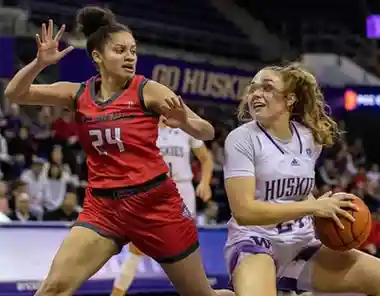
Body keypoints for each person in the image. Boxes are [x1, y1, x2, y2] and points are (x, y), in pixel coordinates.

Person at [4, 6, 233, 296]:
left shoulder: (149, 90)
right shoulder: (77, 94)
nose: (130, 57)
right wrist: (38, 64)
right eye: (120, 50)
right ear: (97, 56)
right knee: (53, 288)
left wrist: (185, 121)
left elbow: (207, 131)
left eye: (133, 51)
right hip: (103, 208)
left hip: (155, 205)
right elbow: (15, 93)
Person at [222, 62, 380, 296]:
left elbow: (294, 192)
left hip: (302, 244)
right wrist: (314, 206)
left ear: (289, 99)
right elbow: (244, 212)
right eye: (253, 88)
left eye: (267, 87)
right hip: (256, 242)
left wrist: (329, 206)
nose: (256, 93)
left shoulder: (309, 138)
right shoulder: (241, 139)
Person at [111, 120, 214, 296]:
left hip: (182, 190)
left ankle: (200, 290)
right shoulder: (144, 129)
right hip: (153, 191)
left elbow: (206, 159)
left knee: (187, 248)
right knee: (137, 247)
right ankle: (117, 293)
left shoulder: (184, 129)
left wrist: (205, 183)